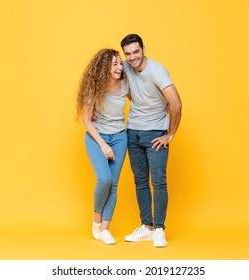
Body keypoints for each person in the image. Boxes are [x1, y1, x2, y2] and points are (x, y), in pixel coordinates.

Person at [120, 34, 182, 247]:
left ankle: (159, 230)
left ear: (144, 49)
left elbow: (176, 103)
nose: (132, 57)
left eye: (136, 52)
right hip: (133, 132)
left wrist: (170, 134)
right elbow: (115, 86)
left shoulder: (157, 70)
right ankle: (146, 227)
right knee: (140, 181)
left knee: (158, 180)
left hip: (155, 133)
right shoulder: (126, 67)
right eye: (128, 54)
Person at [76, 49, 129, 245]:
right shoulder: (94, 87)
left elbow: (141, 98)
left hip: (119, 137)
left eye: (120, 64)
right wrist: (103, 145)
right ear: (104, 67)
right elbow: (86, 120)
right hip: (96, 137)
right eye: (114, 64)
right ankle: (96, 218)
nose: (119, 68)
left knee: (113, 184)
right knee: (104, 179)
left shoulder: (125, 84)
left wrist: (161, 104)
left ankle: (105, 229)